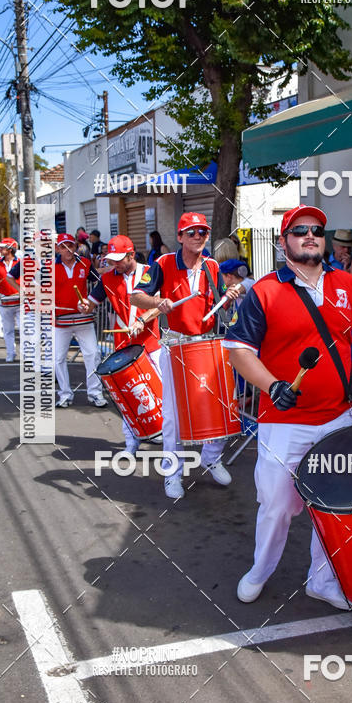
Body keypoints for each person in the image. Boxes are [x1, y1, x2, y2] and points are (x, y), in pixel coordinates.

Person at [225, 204, 352, 609]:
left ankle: (322, 579)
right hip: (284, 422)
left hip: (338, 416)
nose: (310, 235)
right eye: (299, 230)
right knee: (277, 504)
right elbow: (237, 350)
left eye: (317, 229)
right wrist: (272, 384)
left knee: (333, 504)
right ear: (284, 241)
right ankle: (260, 570)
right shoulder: (264, 291)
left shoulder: (349, 286)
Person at [131, 212, 241, 499]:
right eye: (191, 232)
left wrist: (228, 296)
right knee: (172, 416)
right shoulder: (163, 263)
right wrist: (157, 301)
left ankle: (211, 456)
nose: (198, 237)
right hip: (175, 346)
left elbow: (220, 307)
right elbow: (136, 296)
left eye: (202, 232)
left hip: (207, 344)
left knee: (220, 407)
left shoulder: (212, 265)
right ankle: (172, 473)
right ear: (179, 236)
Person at [79, 234, 162, 453]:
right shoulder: (107, 279)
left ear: (131, 255)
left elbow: (160, 305)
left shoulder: (150, 272)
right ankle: (130, 443)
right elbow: (91, 303)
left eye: (118, 259)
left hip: (151, 344)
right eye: (111, 259)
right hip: (124, 347)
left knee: (161, 393)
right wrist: (84, 305)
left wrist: (143, 320)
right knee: (127, 396)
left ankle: (165, 435)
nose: (113, 263)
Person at [50, 233, 107, 409]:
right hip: (60, 320)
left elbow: (100, 282)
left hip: (83, 318)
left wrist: (90, 301)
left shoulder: (84, 263)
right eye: (63, 246)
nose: (67, 250)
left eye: (71, 246)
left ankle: (95, 393)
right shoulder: (49, 267)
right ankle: (65, 394)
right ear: (57, 248)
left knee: (92, 354)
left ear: (75, 247)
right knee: (57, 359)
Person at [0, 238, 20, 362]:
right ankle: (11, 353)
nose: (0, 249)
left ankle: (28, 356)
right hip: (5, 301)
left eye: (3, 247)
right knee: (8, 330)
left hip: (20, 301)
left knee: (25, 329)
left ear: (10, 249)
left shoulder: (20, 261)